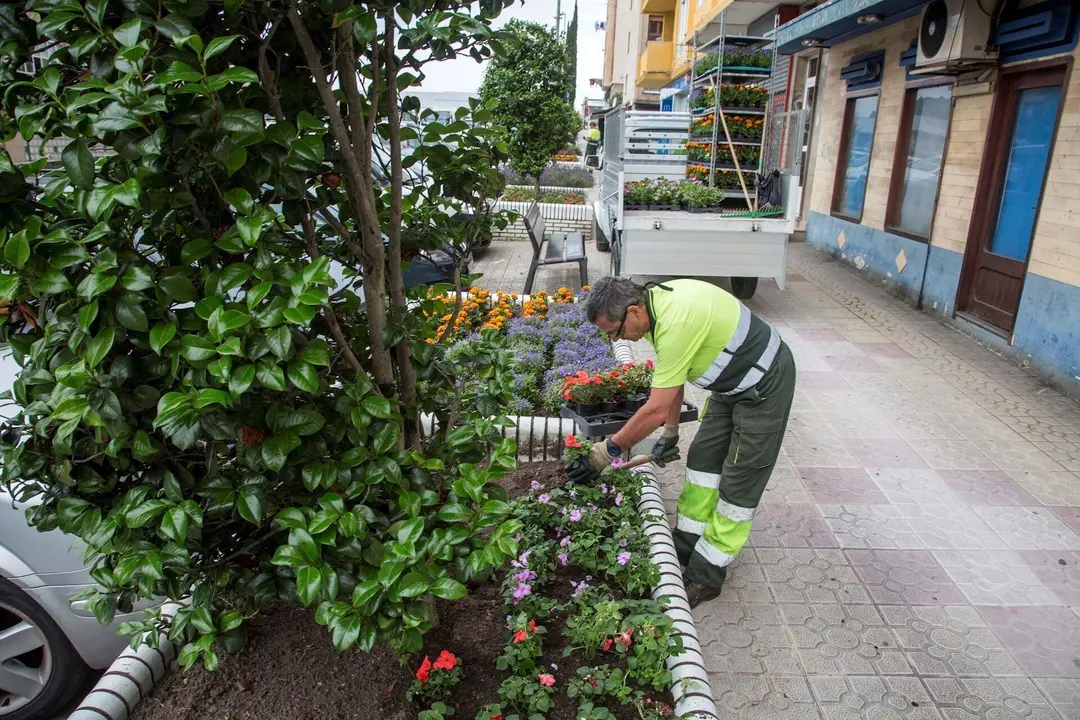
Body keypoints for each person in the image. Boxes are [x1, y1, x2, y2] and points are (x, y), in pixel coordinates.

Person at [568, 276, 797, 607]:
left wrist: (604, 454)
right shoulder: (656, 307)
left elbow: (656, 407)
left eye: (614, 332)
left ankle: (707, 574)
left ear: (633, 312)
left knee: (739, 484)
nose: (617, 339)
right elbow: (672, 379)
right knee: (703, 460)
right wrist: (671, 431)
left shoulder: (675, 320)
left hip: (765, 385)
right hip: (731, 385)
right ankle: (687, 542)